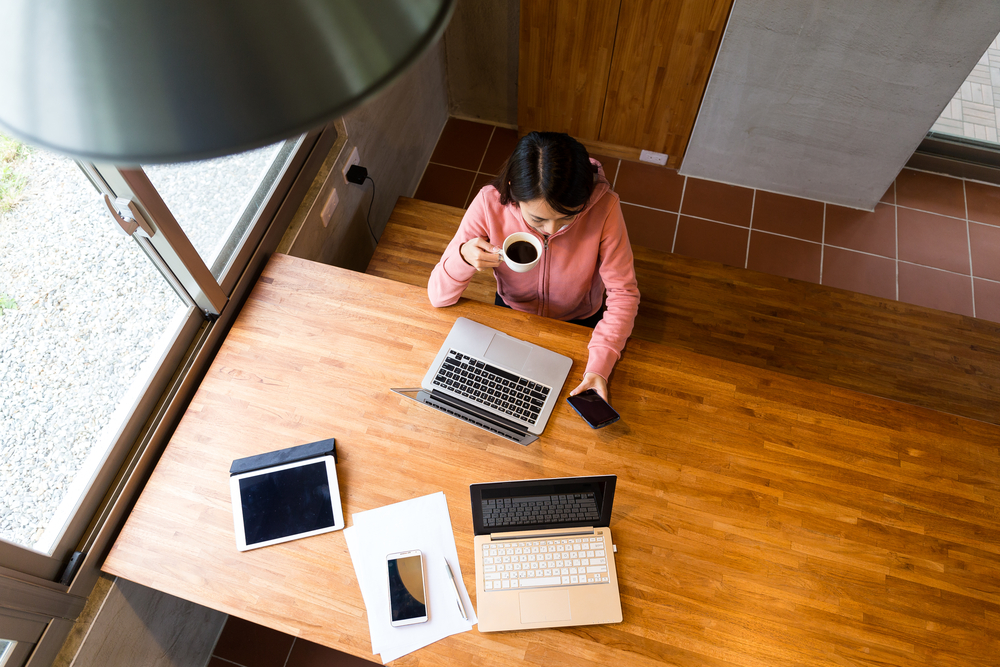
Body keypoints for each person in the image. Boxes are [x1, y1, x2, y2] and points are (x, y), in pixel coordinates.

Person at [427, 131, 639, 402]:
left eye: (567, 217)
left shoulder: (605, 207)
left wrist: (600, 365)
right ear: (514, 191)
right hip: (512, 311)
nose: (551, 230)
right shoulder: (488, 203)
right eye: (538, 219)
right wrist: (463, 257)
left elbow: (624, 294)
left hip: (581, 320)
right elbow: (437, 297)